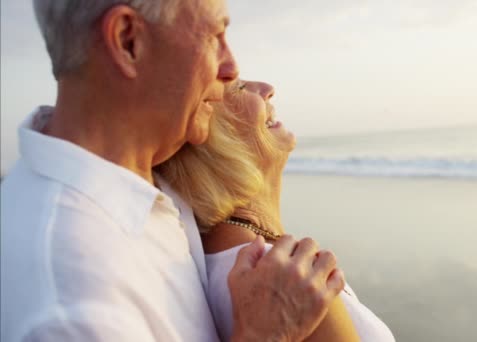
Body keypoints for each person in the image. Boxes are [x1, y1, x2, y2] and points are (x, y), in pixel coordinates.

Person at [0, 1, 345, 341]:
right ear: (128, 40)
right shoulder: (73, 303)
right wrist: (266, 334)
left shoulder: (147, 180)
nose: (231, 67)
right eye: (215, 35)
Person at [158, 79, 396, 341]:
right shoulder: (285, 283)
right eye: (238, 88)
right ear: (210, 140)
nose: (267, 88)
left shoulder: (231, 263)